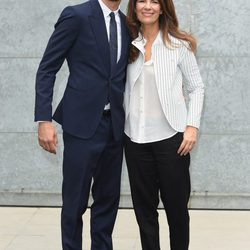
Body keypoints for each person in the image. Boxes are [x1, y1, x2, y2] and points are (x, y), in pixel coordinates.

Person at [34, 0, 130, 249]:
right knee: (75, 201)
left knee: (108, 200)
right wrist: (44, 119)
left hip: (115, 126)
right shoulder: (76, 15)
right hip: (82, 125)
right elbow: (47, 69)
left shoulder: (127, 22)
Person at [124, 0, 204, 249]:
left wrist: (192, 126)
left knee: (176, 209)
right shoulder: (127, 45)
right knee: (144, 211)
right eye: (142, 1)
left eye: (154, 1)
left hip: (172, 140)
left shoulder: (179, 45)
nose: (148, 6)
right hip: (135, 139)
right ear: (134, 7)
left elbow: (196, 87)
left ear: (162, 8)